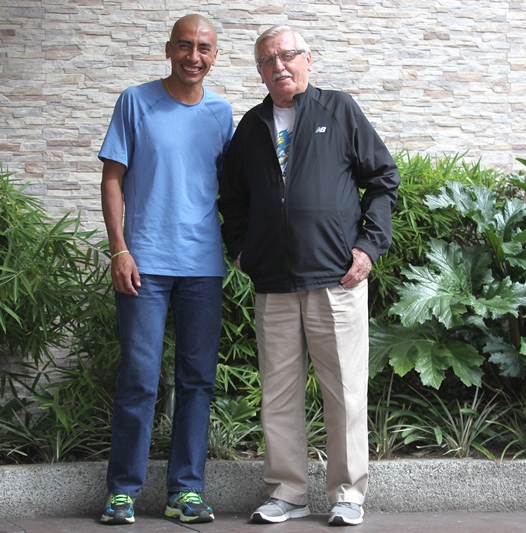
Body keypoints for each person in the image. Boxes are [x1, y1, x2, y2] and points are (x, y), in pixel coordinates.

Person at [218, 25, 400, 527]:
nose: (279, 66)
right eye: (267, 60)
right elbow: (231, 198)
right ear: (259, 71)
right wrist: (240, 250)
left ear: (307, 60)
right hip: (274, 283)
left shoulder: (339, 110)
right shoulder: (252, 126)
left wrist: (368, 246)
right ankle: (287, 493)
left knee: (345, 392)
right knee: (278, 394)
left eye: (288, 55)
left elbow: (383, 179)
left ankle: (348, 494)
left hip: (337, 279)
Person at [97, 14, 233, 526]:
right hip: (145, 264)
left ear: (214, 55)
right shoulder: (136, 101)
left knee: (198, 380)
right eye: (185, 46)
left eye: (204, 48)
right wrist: (119, 249)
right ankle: (122, 492)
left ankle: (186, 492)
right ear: (169, 48)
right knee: (139, 377)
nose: (194, 56)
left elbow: (233, 191)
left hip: (203, 267)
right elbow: (113, 179)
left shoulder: (222, 113)